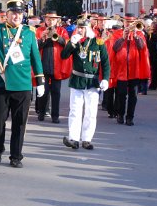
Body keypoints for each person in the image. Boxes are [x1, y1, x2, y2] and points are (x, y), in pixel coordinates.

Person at [0, 0, 45, 168]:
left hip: (22, 84)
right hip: (2, 83)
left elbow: (35, 58)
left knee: (19, 123)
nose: (16, 16)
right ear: (7, 14)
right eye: (13, 13)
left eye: (19, 13)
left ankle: (16, 156)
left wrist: (39, 81)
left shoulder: (29, 33)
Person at [61, 18, 110, 150]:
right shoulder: (76, 42)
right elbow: (63, 56)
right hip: (77, 80)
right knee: (75, 110)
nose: (80, 30)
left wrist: (105, 78)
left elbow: (105, 63)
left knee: (90, 112)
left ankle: (87, 139)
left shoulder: (98, 42)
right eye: (79, 28)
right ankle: (74, 138)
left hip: (92, 82)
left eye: (83, 28)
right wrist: (71, 43)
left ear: (88, 29)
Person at [112, 13, 148, 126]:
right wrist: (123, 37)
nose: (129, 24)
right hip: (121, 70)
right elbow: (114, 48)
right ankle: (120, 115)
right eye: (127, 21)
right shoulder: (117, 33)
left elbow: (142, 47)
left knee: (134, 95)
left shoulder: (140, 34)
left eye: (131, 22)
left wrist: (136, 36)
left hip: (134, 70)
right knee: (121, 94)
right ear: (123, 22)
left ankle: (130, 117)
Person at [36, 11, 71, 123]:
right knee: (44, 91)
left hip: (57, 66)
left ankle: (55, 116)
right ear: (45, 20)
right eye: (49, 19)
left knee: (56, 92)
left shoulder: (62, 30)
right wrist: (43, 37)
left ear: (57, 20)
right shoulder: (40, 30)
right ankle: (41, 112)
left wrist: (57, 37)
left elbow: (66, 44)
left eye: (53, 19)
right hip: (43, 65)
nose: (51, 21)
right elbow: (36, 47)